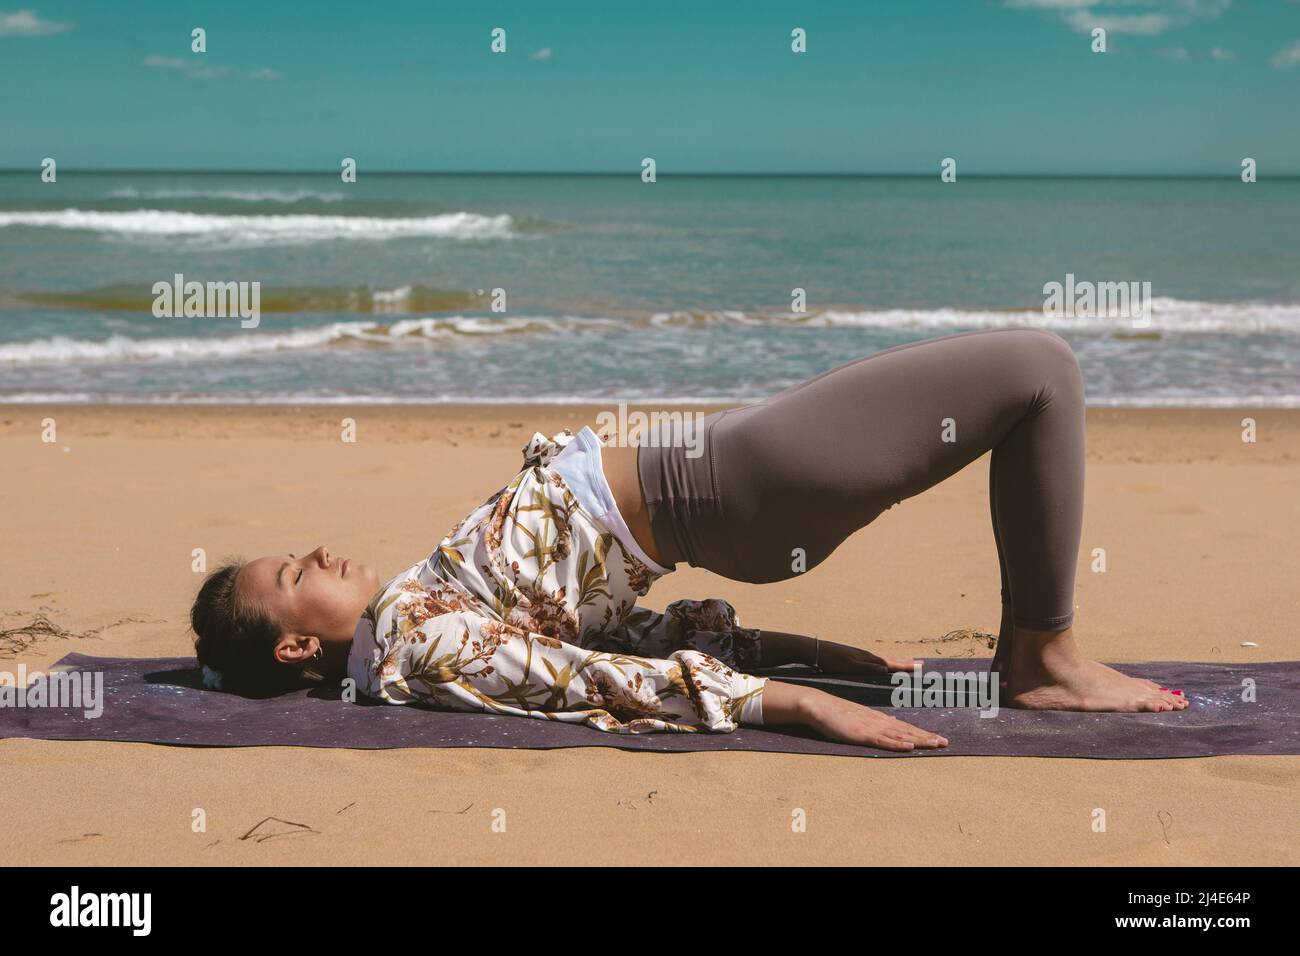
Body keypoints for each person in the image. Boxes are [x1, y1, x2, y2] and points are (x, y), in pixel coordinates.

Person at [190, 328, 1189, 753]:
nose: (315, 551)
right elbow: (592, 682)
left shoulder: (416, 613)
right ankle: (1041, 655)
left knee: (1026, 377)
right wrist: (798, 703)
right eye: (290, 575)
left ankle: (1035, 651)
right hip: (730, 485)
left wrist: (826, 658)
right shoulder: (416, 643)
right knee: (1039, 369)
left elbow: (626, 638)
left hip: (727, 475)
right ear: (294, 645)